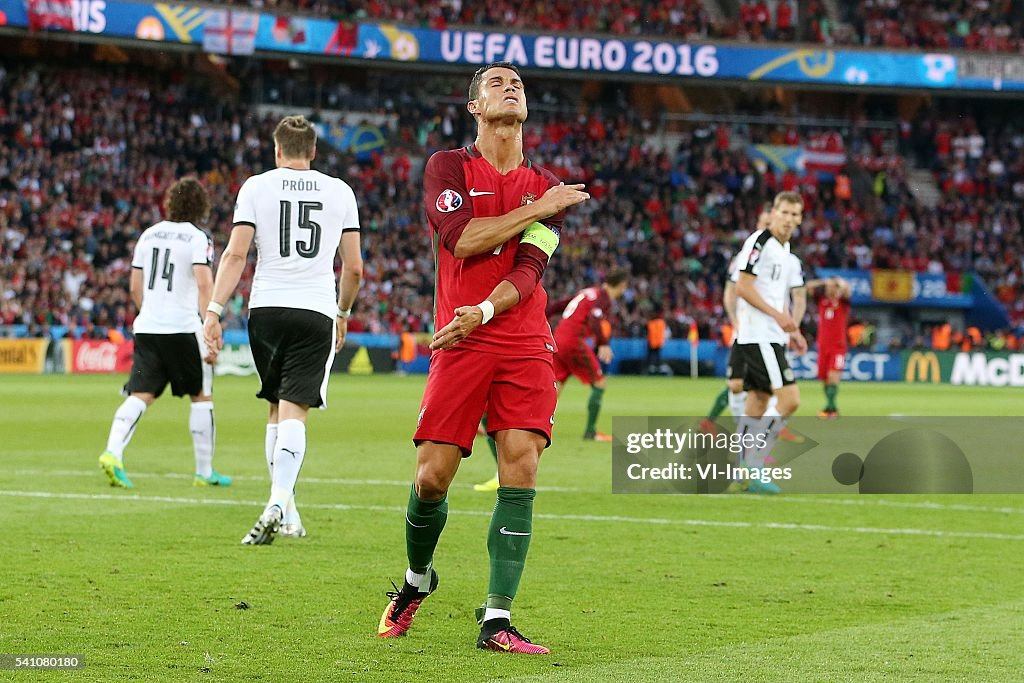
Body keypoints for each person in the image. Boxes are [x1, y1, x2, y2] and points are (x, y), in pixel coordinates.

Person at [376, 62, 589, 655]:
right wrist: (537, 208)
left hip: (520, 338)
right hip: (460, 339)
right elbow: (463, 239)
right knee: (431, 478)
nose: (510, 87)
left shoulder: (546, 183)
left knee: (521, 464)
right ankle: (418, 580)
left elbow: (529, 270)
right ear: (475, 107)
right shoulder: (448, 167)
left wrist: (486, 311)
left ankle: (497, 620)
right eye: (496, 83)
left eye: (517, 82)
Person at [203, 115, 363, 543]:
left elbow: (236, 255)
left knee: (275, 404)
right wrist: (343, 312)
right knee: (295, 408)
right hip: (315, 309)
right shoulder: (339, 191)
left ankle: (288, 513)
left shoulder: (256, 186)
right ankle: (277, 501)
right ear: (313, 152)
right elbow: (354, 267)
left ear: (277, 151)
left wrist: (215, 310)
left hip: (267, 309)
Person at [98, 178, 231, 490]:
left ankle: (112, 452)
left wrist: (152, 312)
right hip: (183, 327)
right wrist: (211, 325)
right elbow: (203, 284)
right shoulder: (199, 238)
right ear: (201, 207)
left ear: (170, 203)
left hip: (148, 326)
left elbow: (134, 287)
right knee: (201, 395)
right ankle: (204, 471)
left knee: (141, 394)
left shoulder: (149, 235)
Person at [732, 191, 808, 494]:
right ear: (773, 212)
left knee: (759, 400)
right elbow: (743, 288)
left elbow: (779, 296)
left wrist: (793, 330)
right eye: (784, 213)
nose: (789, 220)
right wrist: (779, 317)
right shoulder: (759, 242)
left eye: (795, 215)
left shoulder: (784, 250)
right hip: (759, 333)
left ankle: (742, 466)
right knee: (790, 400)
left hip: (771, 334)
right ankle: (755, 464)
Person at [548, 268, 629, 441]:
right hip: (573, 342)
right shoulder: (603, 298)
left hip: (559, 339)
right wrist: (603, 344)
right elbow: (594, 318)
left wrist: (541, 316)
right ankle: (591, 432)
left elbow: (560, 305)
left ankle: (534, 427)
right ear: (622, 286)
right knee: (599, 384)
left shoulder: (587, 292)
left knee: (555, 388)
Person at [804, 276, 851, 418]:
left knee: (832, 376)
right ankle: (830, 408)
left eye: (833, 287)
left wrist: (839, 282)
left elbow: (847, 288)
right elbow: (808, 287)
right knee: (824, 379)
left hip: (838, 347)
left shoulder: (843, 303)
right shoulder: (822, 301)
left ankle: (832, 410)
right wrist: (823, 282)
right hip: (823, 346)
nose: (830, 288)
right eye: (829, 287)